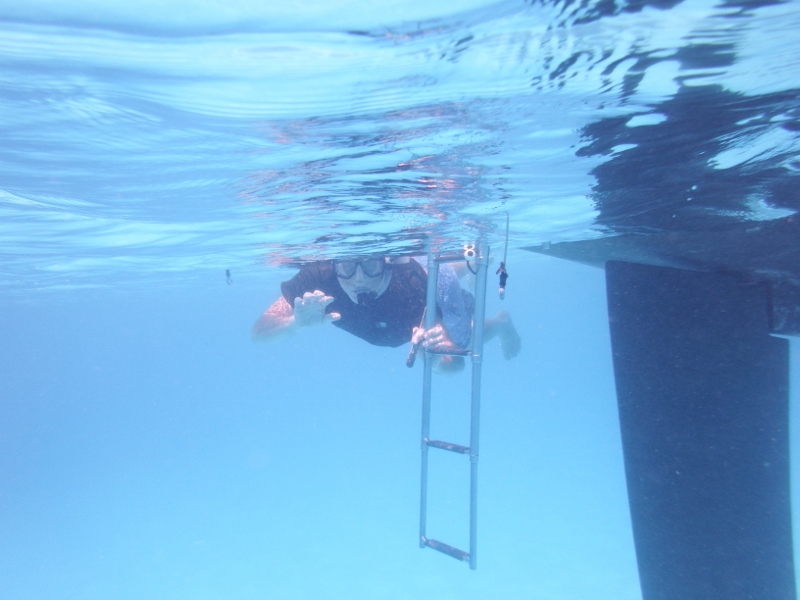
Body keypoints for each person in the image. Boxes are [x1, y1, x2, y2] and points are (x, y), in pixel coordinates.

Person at [251, 256, 520, 373]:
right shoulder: (317, 278)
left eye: (370, 265)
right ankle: (470, 265)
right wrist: (295, 324)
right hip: (402, 307)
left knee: (463, 337)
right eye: (347, 267)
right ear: (333, 265)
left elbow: (454, 363)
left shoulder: (411, 287)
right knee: (438, 273)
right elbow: (260, 332)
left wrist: (433, 356)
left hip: (429, 288)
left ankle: (500, 322)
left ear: (386, 263)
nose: (359, 278)